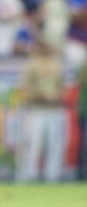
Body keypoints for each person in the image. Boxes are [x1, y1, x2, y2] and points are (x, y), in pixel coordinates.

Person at [16, 38, 67, 182]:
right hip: (36, 109)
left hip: (54, 109)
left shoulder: (56, 66)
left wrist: (57, 96)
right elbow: (24, 89)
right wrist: (39, 95)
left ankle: (53, 175)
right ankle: (29, 175)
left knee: (54, 144)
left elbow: (62, 87)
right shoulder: (32, 65)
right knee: (33, 144)